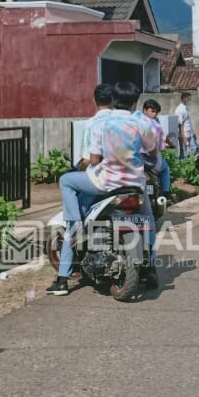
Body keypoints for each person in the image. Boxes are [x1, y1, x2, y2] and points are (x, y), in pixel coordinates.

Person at [49, 82, 157, 297]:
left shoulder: (100, 124)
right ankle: (151, 267)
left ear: (113, 101)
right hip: (135, 183)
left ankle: (63, 277)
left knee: (67, 182)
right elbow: (152, 151)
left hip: (106, 182)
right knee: (149, 219)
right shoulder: (142, 123)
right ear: (135, 102)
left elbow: (95, 159)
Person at [136, 98, 171, 198]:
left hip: (137, 159)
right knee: (165, 169)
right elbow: (161, 141)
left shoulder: (135, 121)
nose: (154, 114)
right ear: (145, 110)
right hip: (150, 160)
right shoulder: (154, 124)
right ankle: (166, 192)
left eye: (156, 112)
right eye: (152, 111)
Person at [175, 91, 195, 157]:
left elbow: (188, 122)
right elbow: (180, 125)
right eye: (188, 99)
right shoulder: (180, 110)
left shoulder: (185, 108)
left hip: (189, 133)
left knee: (193, 149)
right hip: (184, 135)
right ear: (184, 98)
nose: (189, 100)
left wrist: (193, 133)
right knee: (184, 153)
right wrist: (184, 138)